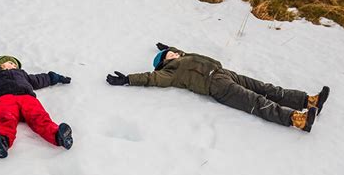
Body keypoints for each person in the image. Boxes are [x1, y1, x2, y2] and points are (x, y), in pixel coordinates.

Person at [106, 43, 329, 132]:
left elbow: (179, 50)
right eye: (169, 54)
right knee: (256, 102)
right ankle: (296, 119)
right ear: (164, 62)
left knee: (266, 88)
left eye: (172, 51)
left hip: (224, 73)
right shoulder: (169, 72)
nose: (174, 53)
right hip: (216, 86)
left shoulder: (182, 56)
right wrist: (127, 79)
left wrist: (167, 46)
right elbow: (150, 78)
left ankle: (308, 101)